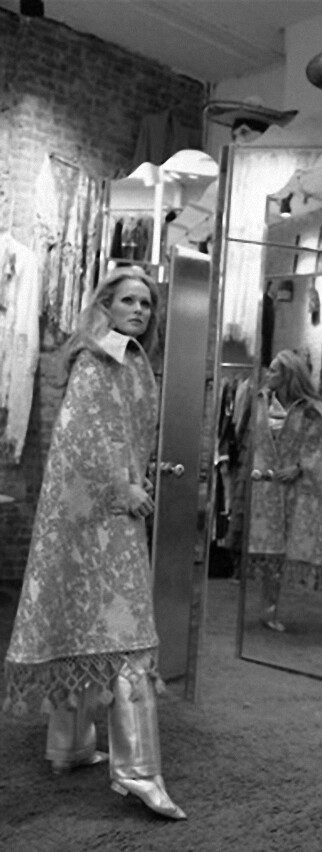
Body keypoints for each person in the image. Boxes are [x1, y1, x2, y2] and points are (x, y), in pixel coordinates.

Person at [3, 266, 186, 820]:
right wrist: (121, 487)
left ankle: (70, 745)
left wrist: (128, 481)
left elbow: (113, 435)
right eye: (129, 301)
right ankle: (139, 771)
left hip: (103, 516)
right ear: (106, 305)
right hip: (101, 514)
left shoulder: (125, 359)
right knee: (127, 636)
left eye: (147, 304)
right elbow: (79, 440)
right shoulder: (97, 360)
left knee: (88, 626)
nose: (140, 311)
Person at [248, 350, 322, 631]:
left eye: (274, 370)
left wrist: (300, 466)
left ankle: (271, 608)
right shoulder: (261, 401)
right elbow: (250, 440)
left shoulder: (311, 409)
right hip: (264, 485)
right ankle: (266, 608)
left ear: (288, 375)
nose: (268, 375)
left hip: (296, 488)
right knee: (267, 548)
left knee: (284, 547)